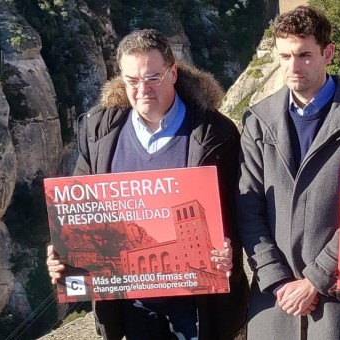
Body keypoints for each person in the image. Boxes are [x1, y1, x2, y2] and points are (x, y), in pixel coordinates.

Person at [45, 29, 248, 340]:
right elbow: (81, 208)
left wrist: (228, 248)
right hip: (131, 306)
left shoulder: (215, 133)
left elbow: (240, 210)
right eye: (132, 81)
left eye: (153, 78)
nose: (143, 90)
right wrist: (63, 254)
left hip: (197, 305)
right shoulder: (99, 130)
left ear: (173, 73)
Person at [236, 5, 340, 340]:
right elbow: (248, 209)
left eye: (305, 54)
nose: (294, 66)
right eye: (286, 55)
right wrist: (277, 280)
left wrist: (315, 280)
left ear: (328, 53)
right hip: (275, 305)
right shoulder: (258, 121)